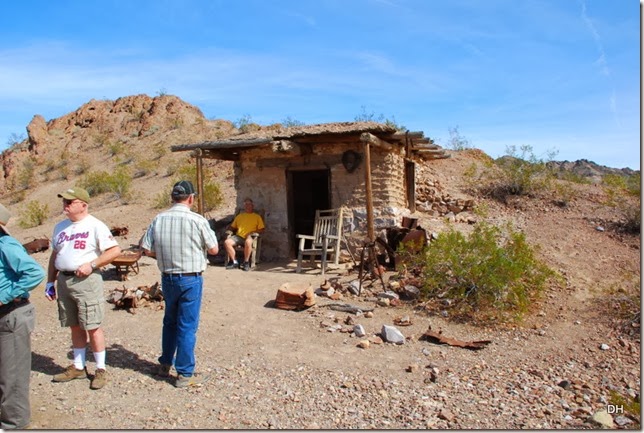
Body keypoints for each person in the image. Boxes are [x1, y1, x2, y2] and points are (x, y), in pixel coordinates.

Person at [141, 180, 219, 388]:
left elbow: (146, 249)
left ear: (172, 198)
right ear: (191, 198)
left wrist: (166, 255)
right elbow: (214, 250)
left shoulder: (159, 219)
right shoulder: (198, 220)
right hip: (190, 278)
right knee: (187, 326)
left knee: (170, 322)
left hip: (168, 278)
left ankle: (165, 363)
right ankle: (185, 373)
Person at [46, 187, 121, 390]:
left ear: (83, 205)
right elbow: (55, 255)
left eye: (70, 202)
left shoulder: (95, 225)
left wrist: (92, 264)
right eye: (64, 201)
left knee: (93, 325)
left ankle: (100, 368)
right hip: (64, 280)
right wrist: (49, 282)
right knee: (74, 324)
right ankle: (78, 367)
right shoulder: (60, 227)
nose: (66, 205)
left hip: (86, 281)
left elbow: (114, 250)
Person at [0, 204, 45, 430]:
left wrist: (4, 295)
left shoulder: (6, 245)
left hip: (12, 315)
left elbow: (35, 273)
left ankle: (14, 424)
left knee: (12, 377)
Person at [224, 198, 265, 271]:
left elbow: (262, 229)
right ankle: (234, 262)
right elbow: (232, 227)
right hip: (239, 236)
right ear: (244, 206)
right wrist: (228, 230)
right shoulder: (240, 216)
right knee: (227, 242)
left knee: (248, 242)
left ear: (252, 205)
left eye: (249, 204)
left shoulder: (256, 217)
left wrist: (252, 232)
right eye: (246, 204)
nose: (247, 206)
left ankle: (246, 262)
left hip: (249, 236)